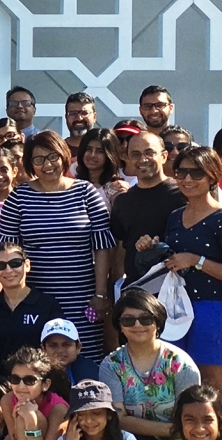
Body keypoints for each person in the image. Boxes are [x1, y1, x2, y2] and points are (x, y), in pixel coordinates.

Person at [0, 131, 116, 359]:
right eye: (38, 159)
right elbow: (7, 253)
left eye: (52, 157)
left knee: (84, 357)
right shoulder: (18, 198)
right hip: (36, 297)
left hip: (82, 296)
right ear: (30, 164)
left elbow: (103, 247)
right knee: (39, 360)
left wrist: (100, 294)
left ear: (63, 156)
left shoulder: (86, 192)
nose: (47, 165)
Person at [98, 288, 201, 440]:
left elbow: (191, 417)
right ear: (120, 326)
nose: (137, 325)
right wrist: (172, 430)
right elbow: (119, 419)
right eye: (128, 320)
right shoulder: (111, 365)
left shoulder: (181, 363)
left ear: (158, 323)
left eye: (145, 319)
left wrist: (178, 434)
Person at [158, 146, 222, 388]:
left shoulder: (220, 218)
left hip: (213, 310)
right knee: (177, 379)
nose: (187, 179)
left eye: (196, 173)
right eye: (181, 172)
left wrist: (197, 261)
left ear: (212, 176)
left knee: (212, 381)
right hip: (176, 308)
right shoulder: (174, 216)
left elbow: (192, 259)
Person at [0, 244, 65, 381]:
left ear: (27, 265)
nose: (8, 270)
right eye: (0, 266)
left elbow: (57, 356)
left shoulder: (47, 305)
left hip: (37, 388)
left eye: (15, 263)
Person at [110, 131, 182, 285]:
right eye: (135, 154)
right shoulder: (122, 201)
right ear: (127, 159)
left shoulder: (183, 194)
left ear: (164, 156)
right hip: (137, 294)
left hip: (180, 290)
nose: (143, 159)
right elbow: (120, 253)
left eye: (149, 152)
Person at [74, 127, 130, 210]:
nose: (92, 155)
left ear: (109, 155)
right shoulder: (73, 185)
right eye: (88, 149)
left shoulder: (116, 188)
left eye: (100, 151)